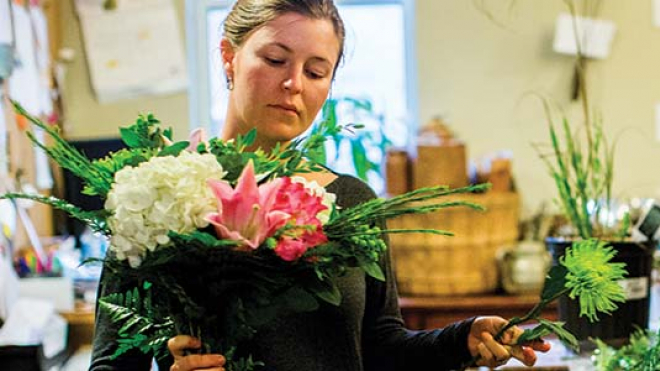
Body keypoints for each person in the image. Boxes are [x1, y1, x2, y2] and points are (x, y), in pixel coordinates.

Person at [89, 1, 550, 370]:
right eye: (274, 59)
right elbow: (111, 362)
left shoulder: (350, 202)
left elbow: (381, 347)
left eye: (315, 71)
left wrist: (459, 340)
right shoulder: (155, 198)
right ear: (228, 56)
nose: (293, 84)